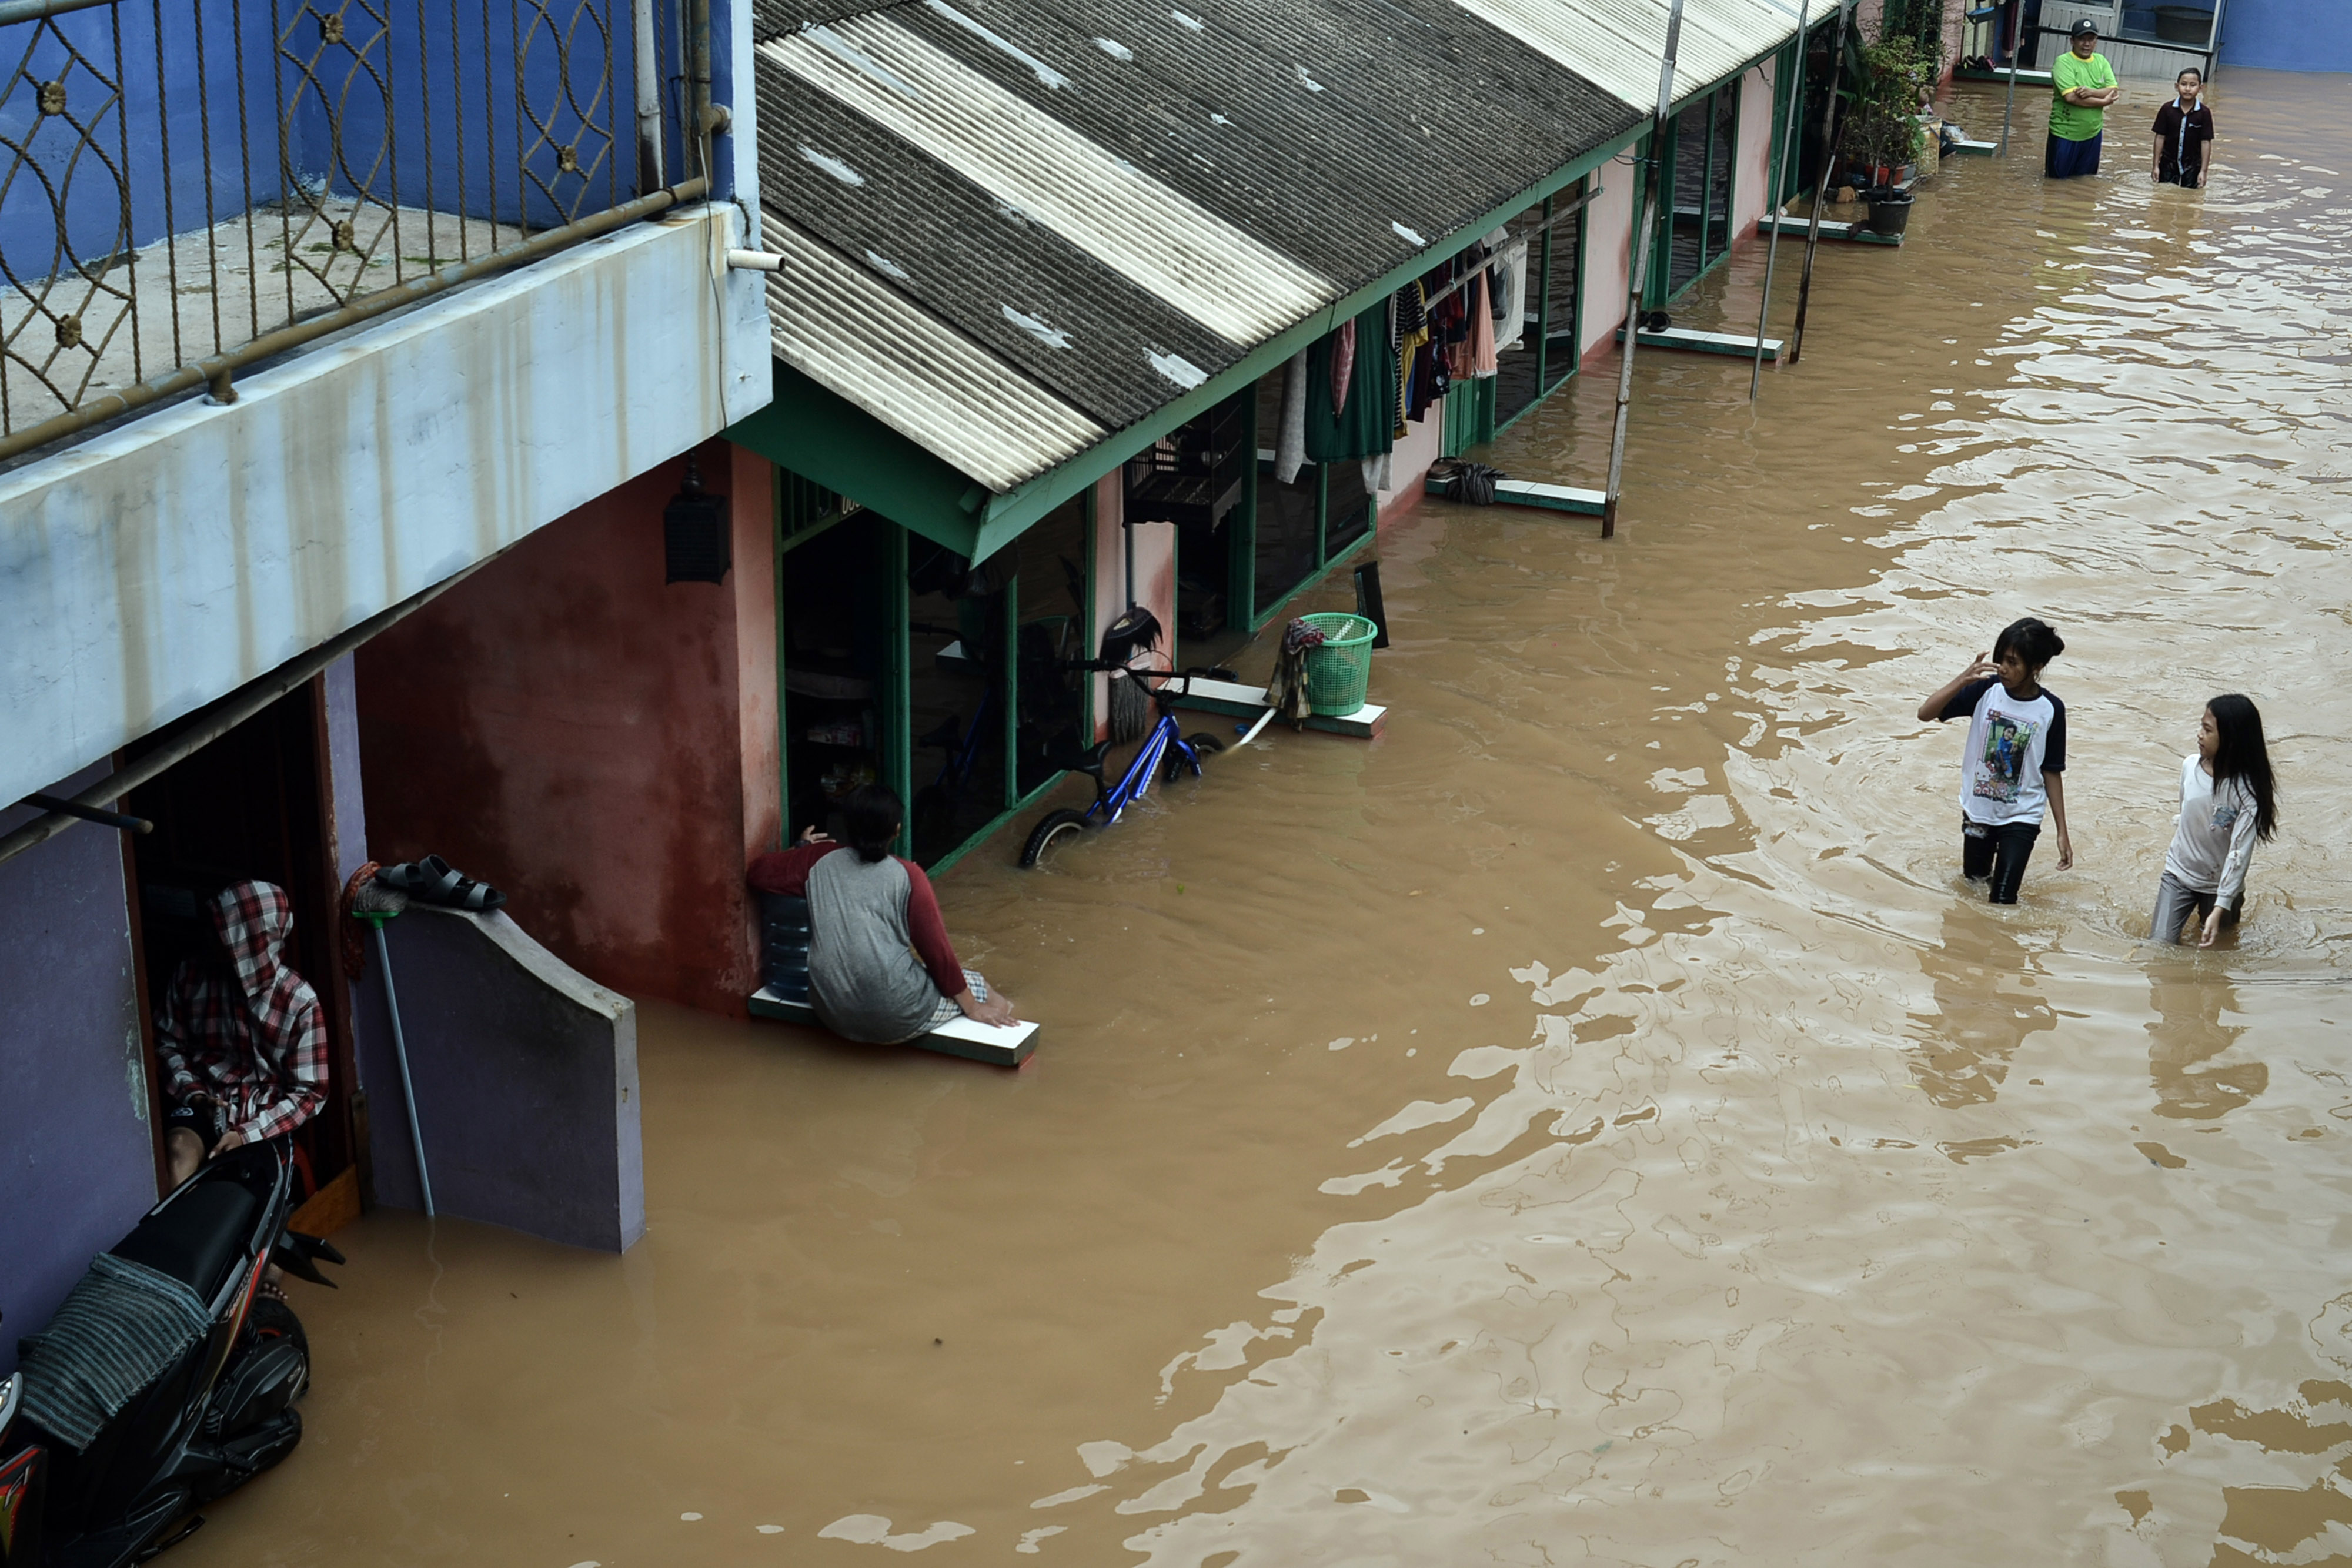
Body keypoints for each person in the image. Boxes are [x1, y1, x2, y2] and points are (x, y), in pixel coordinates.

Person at [746, 785, 1019, 1042]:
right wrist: (973, 1008)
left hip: (831, 1011)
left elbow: (758, 873)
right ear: (897, 830)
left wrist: (801, 849)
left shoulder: (816, 859)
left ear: (847, 826)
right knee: (980, 986)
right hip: (895, 1016)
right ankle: (1012, 1026)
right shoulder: (909, 876)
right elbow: (938, 953)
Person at [156, 880, 329, 1188]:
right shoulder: (190, 975)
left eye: (222, 934)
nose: (210, 939)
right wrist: (194, 1095)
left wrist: (247, 1134)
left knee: (247, 1188)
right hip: (203, 1103)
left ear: (250, 941)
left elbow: (310, 1093)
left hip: (263, 1119)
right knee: (177, 1157)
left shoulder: (300, 1001)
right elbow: (168, 1044)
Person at [1915, 618, 2073, 904]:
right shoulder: (1984, 691)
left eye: (2013, 662)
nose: (2003, 668)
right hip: (1979, 810)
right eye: (2000, 658)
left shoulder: (2051, 710)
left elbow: (2051, 771)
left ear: (2036, 667)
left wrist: (2062, 831)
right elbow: (1925, 714)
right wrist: (1962, 679)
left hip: (2022, 815)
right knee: (1973, 885)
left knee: (2002, 901)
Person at [2151, 694, 2277, 947]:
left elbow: (2239, 853)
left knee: (2219, 952)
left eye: (2207, 730)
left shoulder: (2247, 792)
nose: (2199, 734)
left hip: (2219, 884)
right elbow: (2185, 812)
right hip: (2179, 872)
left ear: (2231, 741)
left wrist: (2221, 907)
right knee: (2160, 946)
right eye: (2201, 727)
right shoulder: (2189, 766)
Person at [2047, 20, 2119, 180]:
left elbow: (2113, 89)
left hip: (2093, 133)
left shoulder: (2101, 61)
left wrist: (2090, 92)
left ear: (2096, 41)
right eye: (2082, 39)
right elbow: (2071, 98)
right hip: (2065, 133)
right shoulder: (2064, 62)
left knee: (2085, 183)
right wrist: (2103, 101)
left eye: (2091, 39)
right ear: (2072, 40)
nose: (2087, 44)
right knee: (2056, 185)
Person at [2151, 68, 2215, 188]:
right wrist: (2155, 166)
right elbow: (2160, 137)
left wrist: (2204, 171)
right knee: (2163, 195)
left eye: (2193, 85)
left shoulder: (2204, 113)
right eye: (2183, 84)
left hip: (2193, 165)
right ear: (2177, 86)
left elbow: (2206, 142)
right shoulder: (2167, 109)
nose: (2187, 89)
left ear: (2200, 88)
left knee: (2190, 197)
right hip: (2168, 163)